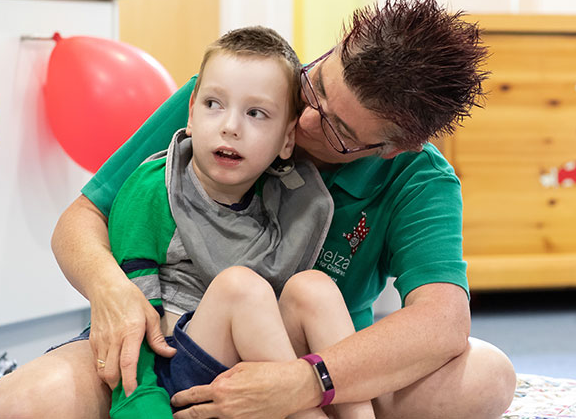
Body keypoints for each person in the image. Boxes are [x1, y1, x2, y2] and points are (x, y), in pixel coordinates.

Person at [0, 0, 517, 419]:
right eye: (317, 87)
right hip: (181, 335)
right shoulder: (234, 98)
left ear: (393, 147)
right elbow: (82, 218)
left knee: (487, 377)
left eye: (338, 130)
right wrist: (112, 290)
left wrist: (305, 382)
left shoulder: (418, 176)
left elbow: (443, 321)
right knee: (17, 405)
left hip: (323, 355)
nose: (306, 122)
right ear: (337, 47)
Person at [100, 26, 374, 419]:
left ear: (286, 141)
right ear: (191, 111)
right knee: (240, 286)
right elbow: (131, 323)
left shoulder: (283, 192)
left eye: (256, 113)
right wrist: (144, 408)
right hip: (175, 370)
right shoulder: (154, 190)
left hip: (253, 364)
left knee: (314, 286)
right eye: (214, 104)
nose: (230, 126)